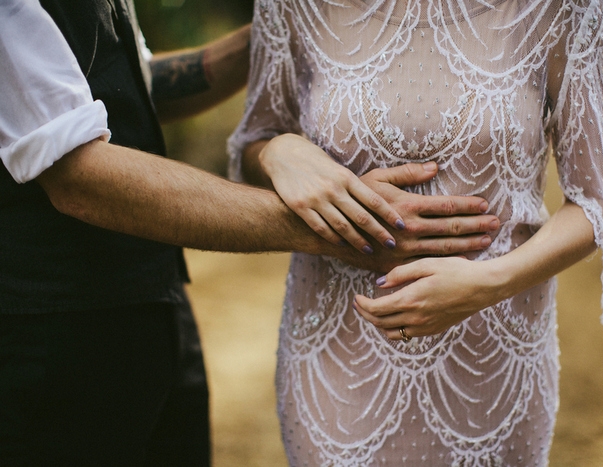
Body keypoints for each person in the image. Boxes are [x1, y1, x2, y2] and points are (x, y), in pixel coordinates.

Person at [0, 1, 498, 465]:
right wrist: (345, 229)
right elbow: (77, 174)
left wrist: (295, 18)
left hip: (150, 304)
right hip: (45, 333)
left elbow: (121, 85)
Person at [230, 0, 603, 465]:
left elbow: (597, 204)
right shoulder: (292, 6)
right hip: (340, 362)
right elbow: (252, 142)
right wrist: (279, 150)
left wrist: (488, 283)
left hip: (491, 365)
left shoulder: (567, 8)